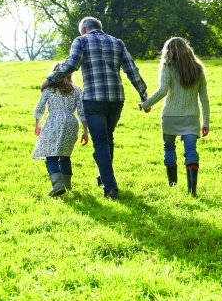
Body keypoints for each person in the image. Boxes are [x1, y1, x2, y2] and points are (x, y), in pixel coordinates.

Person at [41, 16, 148, 200]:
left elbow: (71, 65)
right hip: (116, 99)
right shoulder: (117, 42)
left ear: (83, 30)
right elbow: (132, 69)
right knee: (107, 138)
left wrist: (50, 79)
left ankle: (110, 187)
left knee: (100, 142)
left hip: (94, 99)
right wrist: (143, 95)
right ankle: (103, 177)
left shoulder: (81, 41)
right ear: (99, 28)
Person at [139, 37, 210, 197]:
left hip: (170, 115)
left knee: (169, 148)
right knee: (191, 150)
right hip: (191, 117)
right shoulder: (198, 68)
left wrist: (146, 104)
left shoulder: (168, 67)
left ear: (168, 50)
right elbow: (204, 98)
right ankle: (192, 189)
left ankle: (172, 185)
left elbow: (163, 90)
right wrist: (205, 122)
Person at [33, 62, 89, 197]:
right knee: (65, 155)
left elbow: (40, 107)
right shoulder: (76, 90)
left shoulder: (49, 89)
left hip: (53, 121)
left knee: (51, 154)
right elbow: (82, 112)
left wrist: (37, 124)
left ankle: (58, 184)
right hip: (71, 122)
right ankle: (67, 184)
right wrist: (85, 131)